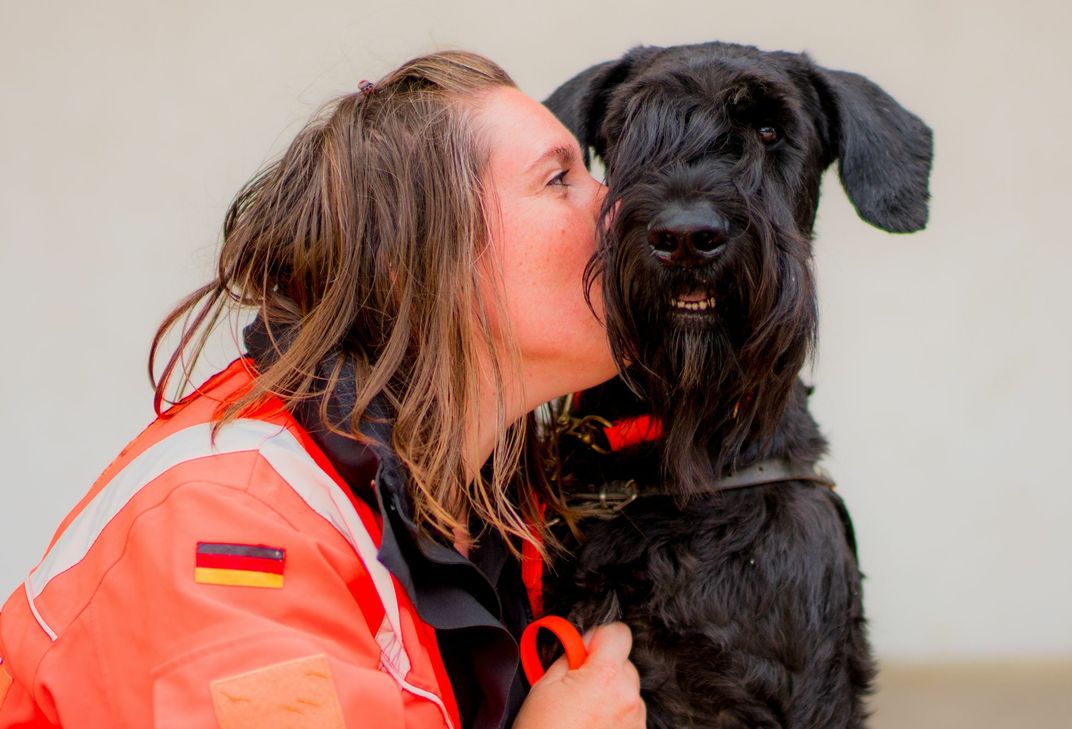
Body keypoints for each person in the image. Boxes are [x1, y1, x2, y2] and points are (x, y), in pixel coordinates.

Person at [0, 51, 645, 729]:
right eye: (559, 178)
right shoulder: (232, 529)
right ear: (415, 261)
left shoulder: (478, 506)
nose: (619, 207)